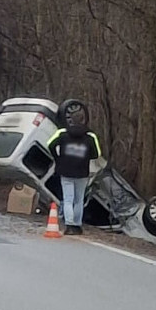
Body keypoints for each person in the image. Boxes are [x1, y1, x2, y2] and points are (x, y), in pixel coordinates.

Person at [46, 99, 102, 235]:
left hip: (65, 170)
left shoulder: (63, 133)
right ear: (84, 119)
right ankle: (77, 225)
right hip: (82, 171)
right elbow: (97, 154)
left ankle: (69, 225)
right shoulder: (90, 136)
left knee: (68, 199)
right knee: (79, 200)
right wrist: (84, 156)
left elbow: (50, 144)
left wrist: (58, 158)